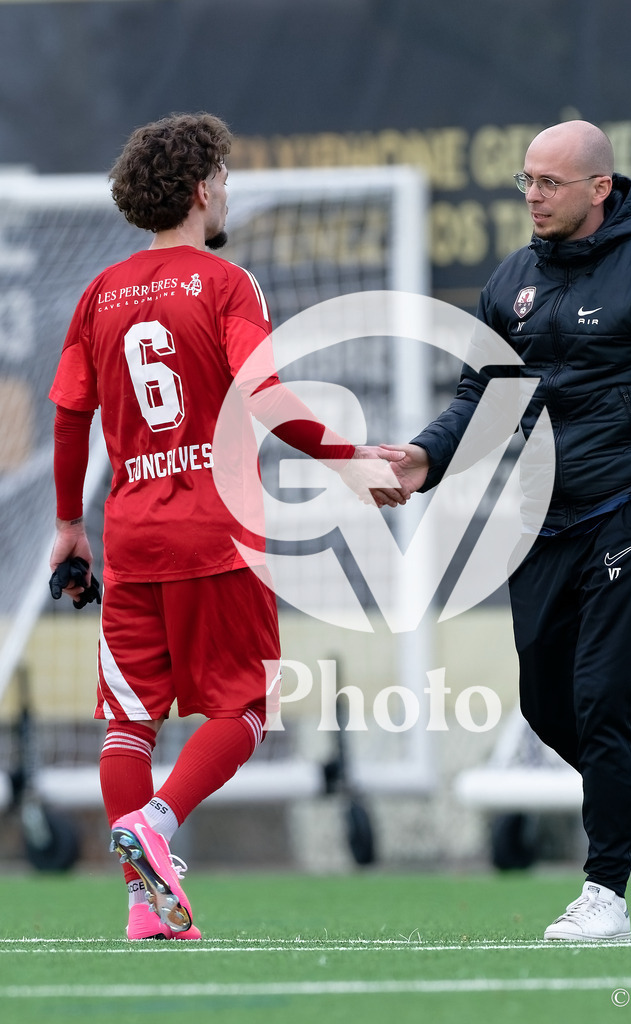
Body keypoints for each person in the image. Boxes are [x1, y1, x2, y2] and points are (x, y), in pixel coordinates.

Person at [376, 120, 631, 940]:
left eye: (550, 182)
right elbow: (485, 399)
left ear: (599, 188)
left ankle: (603, 893)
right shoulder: (513, 279)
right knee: (547, 707)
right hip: (542, 521)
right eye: (527, 181)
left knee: (601, 701)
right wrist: (424, 458)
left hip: (629, 516)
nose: (533, 196)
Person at [49, 112, 404, 940]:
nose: (227, 191)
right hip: (215, 533)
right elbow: (265, 396)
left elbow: (68, 414)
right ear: (203, 189)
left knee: (130, 722)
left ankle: (144, 907)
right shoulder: (224, 283)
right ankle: (156, 826)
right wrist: (347, 457)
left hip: (131, 538)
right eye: (225, 177)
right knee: (245, 707)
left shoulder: (98, 295)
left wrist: (68, 524)